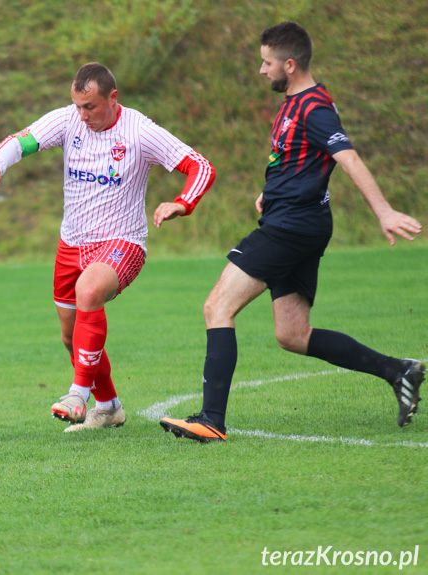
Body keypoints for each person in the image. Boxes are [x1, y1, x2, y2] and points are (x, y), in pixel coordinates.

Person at [160, 22, 424, 443]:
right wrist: (271, 191)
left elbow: (348, 158)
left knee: (217, 308)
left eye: (266, 63)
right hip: (294, 220)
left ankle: (211, 420)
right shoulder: (292, 102)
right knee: (292, 334)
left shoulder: (315, 108)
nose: (261, 71)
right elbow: (297, 157)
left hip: (292, 228)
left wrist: (384, 211)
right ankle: (398, 370)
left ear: (289, 63)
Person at [0, 63, 215, 432]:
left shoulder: (139, 131)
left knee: (88, 292)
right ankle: (108, 407)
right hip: (71, 244)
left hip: (122, 242)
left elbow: (200, 167)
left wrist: (182, 202)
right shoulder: (70, 120)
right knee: (71, 338)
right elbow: (23, 140)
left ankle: (78, 394)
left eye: (91, 107)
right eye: (78, 106)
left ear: (112, 97)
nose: (83, 115)